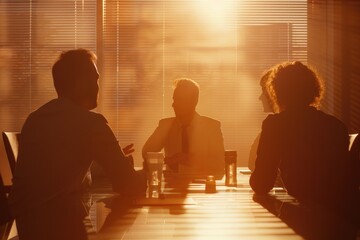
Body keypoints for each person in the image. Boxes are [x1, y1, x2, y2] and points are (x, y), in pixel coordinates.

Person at [8, 49, 146, 240]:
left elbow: (56, 173)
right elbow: (128, 184)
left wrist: (109, 159)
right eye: (95, 79)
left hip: (22, 228)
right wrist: (150, 173)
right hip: (58, 229)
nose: (98, 86)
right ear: (82, 82)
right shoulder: (90, 123)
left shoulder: (36, 119)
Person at [250, 61, 352, 214]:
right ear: (314, 89)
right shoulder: (336, 126)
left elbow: (261, 184)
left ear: (277, 92)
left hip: (301, 216)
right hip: (339, 217)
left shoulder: (276, 125)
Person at [142, 78, 225, 180]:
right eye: (174, 99)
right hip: (171, 186)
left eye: (179, 100)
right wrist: (165, 160)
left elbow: (219, 164)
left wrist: (189, 159)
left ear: (194, 102)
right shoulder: (166, 125)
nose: (174, 104)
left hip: (203, 187)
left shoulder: (211, 127)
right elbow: (146, 153)